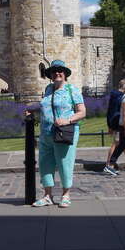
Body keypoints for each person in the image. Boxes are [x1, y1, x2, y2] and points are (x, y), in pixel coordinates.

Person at [26, 60, 86, 208]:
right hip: (46, 133)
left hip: (63, 133)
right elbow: (46, 107)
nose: (57, 73)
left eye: (60, 70)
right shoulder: (48, 89)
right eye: (54, 71)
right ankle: (47, 195)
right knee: (45, 164)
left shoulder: (72, 90)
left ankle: (66, 194)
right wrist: (33, 109)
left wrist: (67, 120)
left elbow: (82, 112)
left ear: (65, 74)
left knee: (65, 163)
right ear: (51, 76)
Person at [104, 79, 125, 176]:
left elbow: (110, 111)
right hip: (118, 122)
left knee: (123, 143)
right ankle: (109, 165)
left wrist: (109, 125)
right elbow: (119, 112)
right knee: (117, 143)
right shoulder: (120, 97)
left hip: (115, 122)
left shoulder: (115, 96)